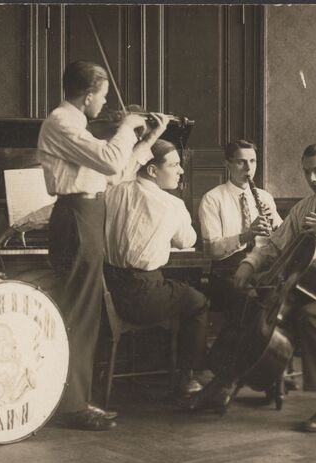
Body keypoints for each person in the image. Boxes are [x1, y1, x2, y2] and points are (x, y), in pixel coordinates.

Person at [189, 141, 316, 433]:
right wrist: (250, 264)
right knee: (252, 303)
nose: (312, 179)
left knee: (313, 316)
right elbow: (274, 244)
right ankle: (226, 382)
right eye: (307, 172)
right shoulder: (305, 207)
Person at [37, 60, 169, 430]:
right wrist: (127, 126)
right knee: (78, 313)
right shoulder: (61, 122)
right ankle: (70, 405)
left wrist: (147, 141)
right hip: (78, 218)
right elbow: (111, 161)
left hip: (89, 215)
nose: (106, 104)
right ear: (89, 94)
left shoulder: (78, 129)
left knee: (85, 312)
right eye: (104, 95)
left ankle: (74, 399)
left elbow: (116, 173)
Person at [103, 140, 211, 400]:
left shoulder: (114, 190)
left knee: (181, 294)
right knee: (199, 301)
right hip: (142, 295)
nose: (181, 171)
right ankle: (187, 377)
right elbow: (188, 241)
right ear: (152, 170)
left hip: (109, 293)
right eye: (174, 165)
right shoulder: (171, 204)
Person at [198, 139, 282, 312]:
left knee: (281, 298)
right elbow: (211, 250)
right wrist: (246, 236)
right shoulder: (212, 199)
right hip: (227, 270)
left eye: (252, 161)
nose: (248, 168)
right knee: (250, 302)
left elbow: (282, 236)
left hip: (262, 267)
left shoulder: (265, 197)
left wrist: (274, 221)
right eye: (241, 162)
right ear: (227, 164)